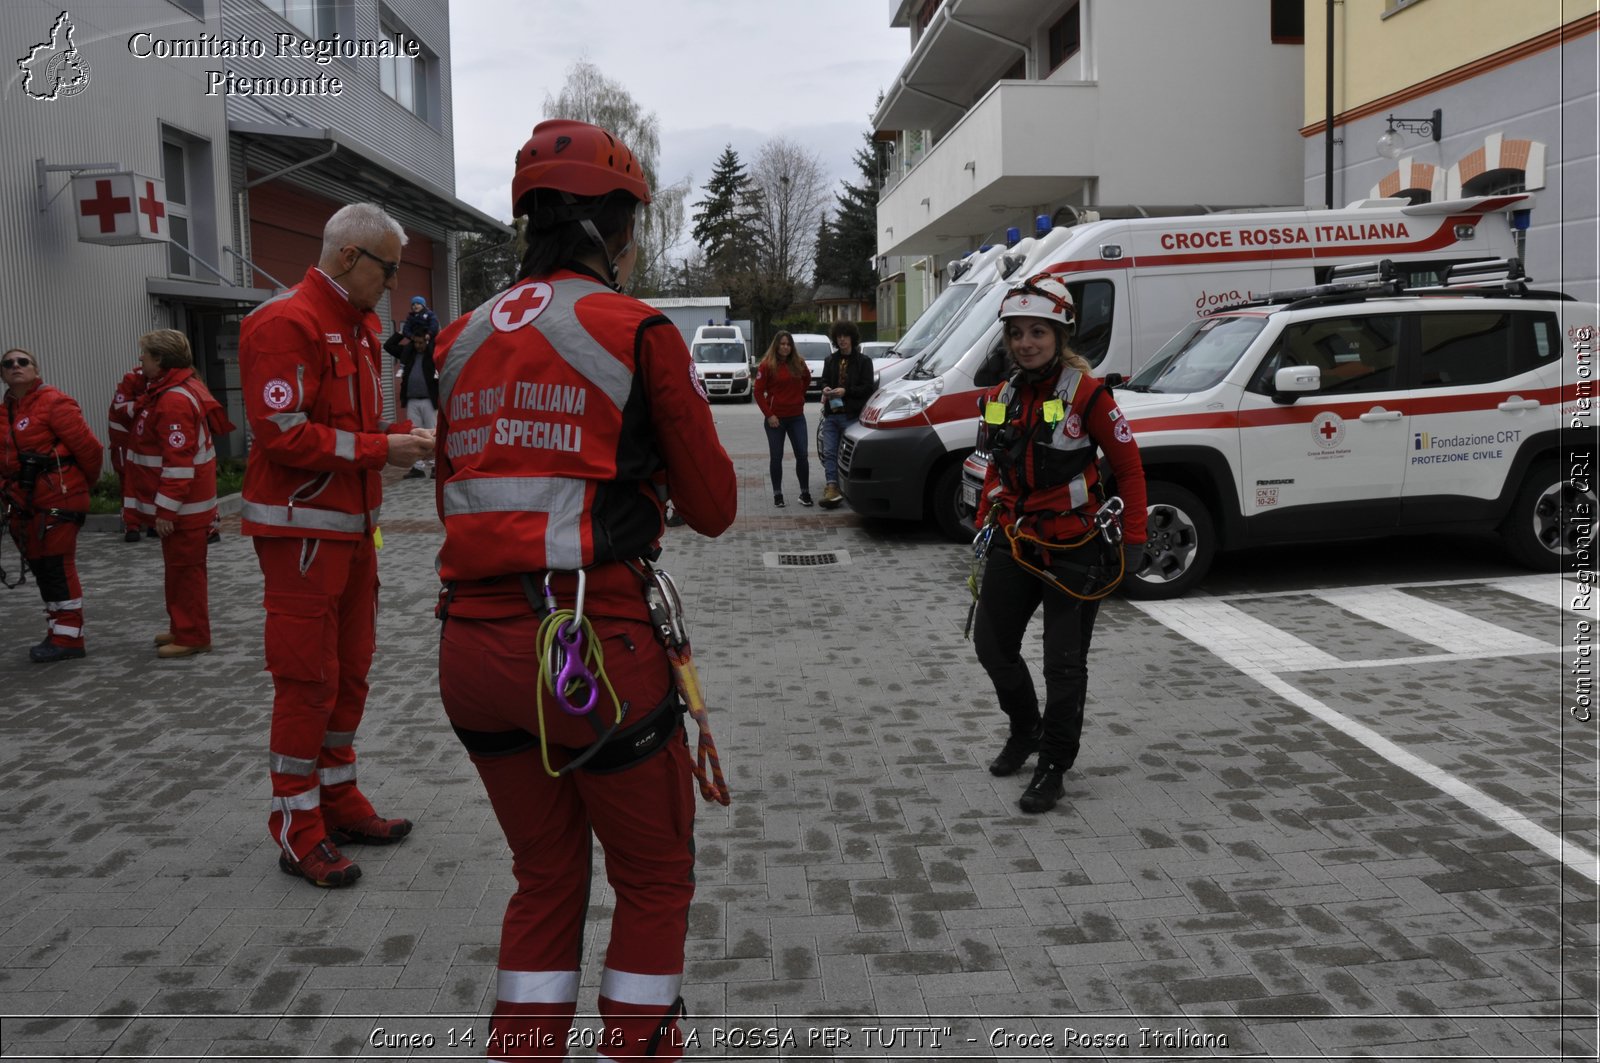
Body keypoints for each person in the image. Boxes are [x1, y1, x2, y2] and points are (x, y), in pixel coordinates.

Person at [432, 118, 737, 1060]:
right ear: (612, 227)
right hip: (590, 645)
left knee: (545, 873)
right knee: (652, 876)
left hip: (470, 649)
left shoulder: (457, 338)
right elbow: (715, 506)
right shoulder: (634, 328)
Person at [239, 202, 435, 889]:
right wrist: (384, 448)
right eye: (388, 267)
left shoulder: (357, 327)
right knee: (307, 681)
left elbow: (345, 431)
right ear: (351, 257)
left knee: (350, 673)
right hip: (301, 538)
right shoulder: (285, 321)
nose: (393, 282)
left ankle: (338, 801)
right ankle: (297, 828)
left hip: (350, 535)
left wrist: (395, 447)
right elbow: (282, 434)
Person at [971, 273, 1148, 814]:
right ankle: (1026, 730)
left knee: (1062, 664)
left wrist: (1136, 538)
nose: (1025, 343)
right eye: (1017, 333)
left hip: (1076, 547)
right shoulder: (1001, 395)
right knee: (992, 646)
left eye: (1038, 333)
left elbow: (1130, 469)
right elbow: (991, 462)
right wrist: (984, 519)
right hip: (1015, 540)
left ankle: (1054, 763)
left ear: (1060, 335)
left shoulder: (1089, 394)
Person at [124, 329, 233, 659]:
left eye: (145, 354)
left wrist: (166, 511)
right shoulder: (176, 390)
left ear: (159, 360)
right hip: (185, 506)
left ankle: (193, 635)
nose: (140, 360)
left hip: (184, 509)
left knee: (185, 573)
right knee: (178, 570)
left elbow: (178, 462)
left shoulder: (173, 399)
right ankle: (181, 626)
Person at [0, 347, 103, 662]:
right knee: (42, 567)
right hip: (23, 503)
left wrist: (76, 487)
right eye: (8, 364)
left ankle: (70, 639)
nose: (15, 366)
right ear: (3, 373)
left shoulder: (54, 403)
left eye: (23, 362)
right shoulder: (5, 412)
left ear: (35, 368)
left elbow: (91, 450)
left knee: (57, 564)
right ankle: (59, 628)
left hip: (58, 497)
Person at [815, 320, 873, 509]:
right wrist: (826, 388)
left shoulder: (864, 361)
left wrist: (845, 391)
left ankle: (848, 488)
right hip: (832, 414)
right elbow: (822, 380)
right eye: (839, 336)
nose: (842, 340)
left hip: (852, 416)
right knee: (830, 452)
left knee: (849, 455)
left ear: (852, 338)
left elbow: (867, 388)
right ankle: (832, 487)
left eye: (845, 336)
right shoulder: (830, 360)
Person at [753, 330, 812, 507]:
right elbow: (757, 392)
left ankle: (805, 493)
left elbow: (807, 380)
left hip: (797, 418)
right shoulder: (766, 365)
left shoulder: (799, 363)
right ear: (776, 345)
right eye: (782, 344)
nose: (785, 347)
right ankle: (777, 494)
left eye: (788, 344)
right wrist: (769, 415)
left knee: (802, 455)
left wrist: (798, 397)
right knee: (776, 457)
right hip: (775, 420)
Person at [385, 297, 440, 479]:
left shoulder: (432, 352)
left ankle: (434, 466)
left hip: (429, 400)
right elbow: (388, 346)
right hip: (412, 400)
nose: (418, 346)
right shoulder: (408, 352)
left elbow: (437, 340)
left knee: (432, 433)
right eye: (415, 342)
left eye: (421, 343)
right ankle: (416, 467)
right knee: (414, 432)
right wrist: (402, 332)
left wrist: (430, 336)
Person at [107, 366, 148, 542]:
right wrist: (148, 399)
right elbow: (123, 410)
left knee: (152, 480)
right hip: (124, 444)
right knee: (128, 485)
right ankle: (131, 525)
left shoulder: (165, 379)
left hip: (146, 442)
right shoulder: (131, 380)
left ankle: (151, 523)